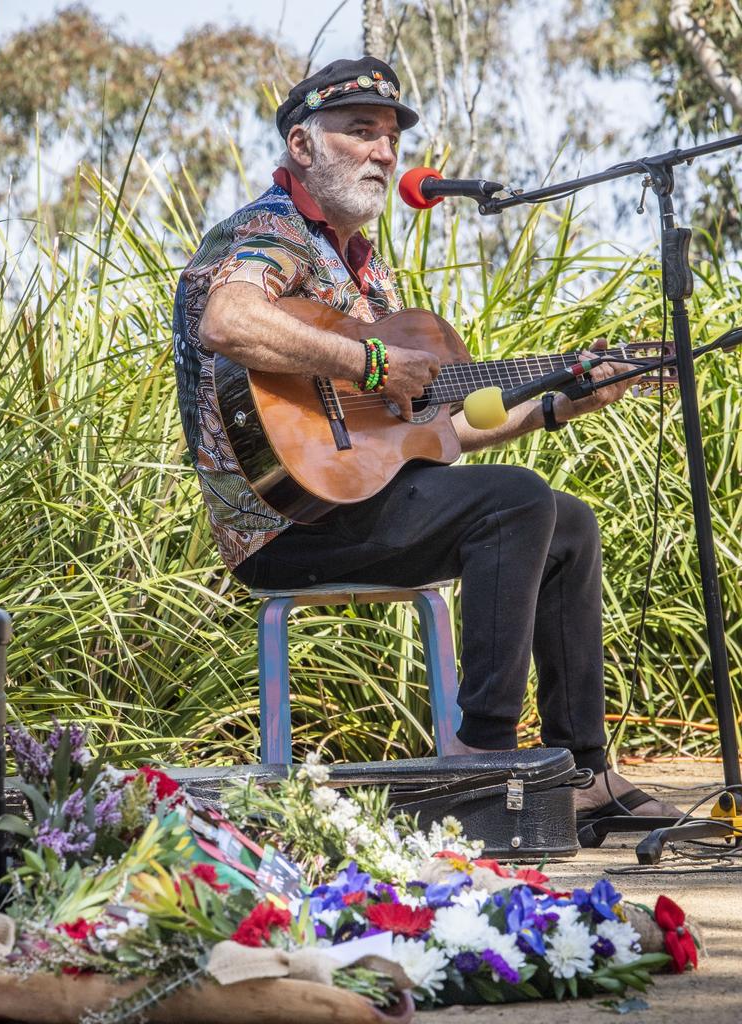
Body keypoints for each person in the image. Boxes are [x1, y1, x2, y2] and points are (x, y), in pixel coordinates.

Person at [172, 56, 678, 820]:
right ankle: (482, 758)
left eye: (390, 137)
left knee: (564, 521)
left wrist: (558, 404)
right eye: (360, 131)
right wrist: (371, 358)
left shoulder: (365, 281)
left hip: (361, 498)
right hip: (285, 521)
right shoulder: (265, 231)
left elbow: (429, 433)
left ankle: (582, 777)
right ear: (303, 147)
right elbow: (228, 320)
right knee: (515, 502)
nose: (384, 152)